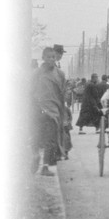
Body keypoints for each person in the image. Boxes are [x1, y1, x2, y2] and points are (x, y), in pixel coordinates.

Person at [32, 46, 72, 176]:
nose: (51, 59)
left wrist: (62, 110)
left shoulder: (60, 74)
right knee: (36, 136)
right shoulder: (36, 73)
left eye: (53, 57)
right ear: (43, 58)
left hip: (54, 110)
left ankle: (45, 166)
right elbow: (30, 91)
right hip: (38, 109)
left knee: (51, 139)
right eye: (48, 57)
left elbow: (63, 92)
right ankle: (35, 156)